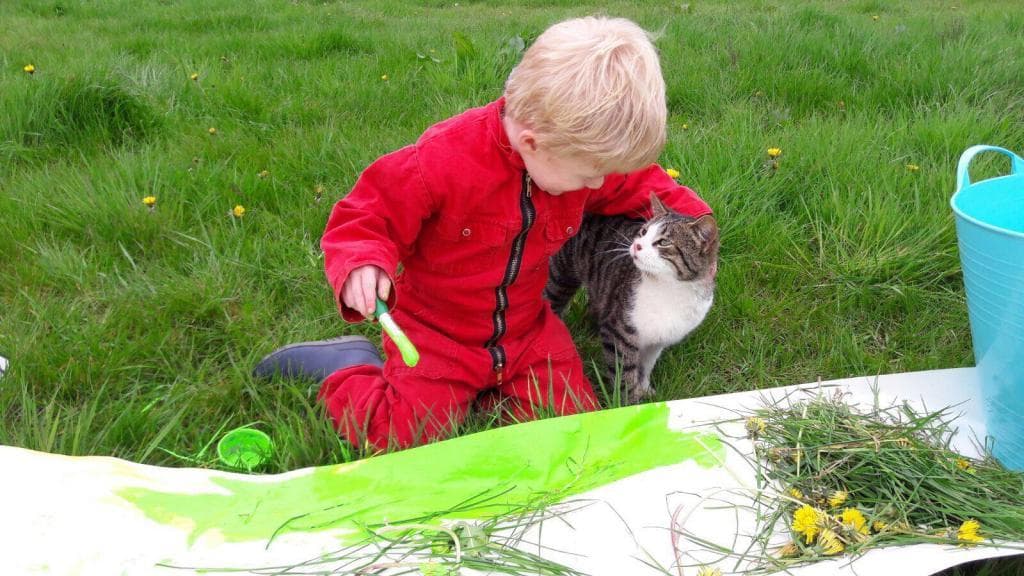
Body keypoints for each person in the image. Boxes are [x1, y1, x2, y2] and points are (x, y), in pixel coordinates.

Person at [254, 16, 712, 451]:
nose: (598, 186)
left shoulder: (569, 157)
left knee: (571, 432)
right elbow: (369, 212)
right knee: (395, 436)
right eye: (589, 176)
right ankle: (351, 366)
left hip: (525, 331)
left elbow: (638, 185)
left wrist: (697, 229)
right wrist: (362, 261)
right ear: (533, 144)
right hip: (436, 335)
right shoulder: (442, 161)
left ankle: (487, 391)